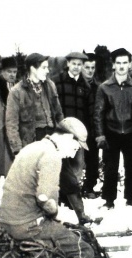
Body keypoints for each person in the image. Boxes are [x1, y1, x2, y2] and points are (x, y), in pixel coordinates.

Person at [0, 117, 94, 258]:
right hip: (25, 226)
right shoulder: (51, 156)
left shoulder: (33, 147)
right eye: (77, 145)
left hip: (6, 219)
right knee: (84, 251)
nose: (76, 150)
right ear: (66, 137)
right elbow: (45, 200)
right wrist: (55, 214)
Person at [94, 48, 132, 209]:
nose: (122, 66)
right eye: (118, 63)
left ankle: (131, 199)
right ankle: (109, 200)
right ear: (113, 65)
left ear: (130, 64)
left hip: (131, 132)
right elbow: (98, 113)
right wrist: (100, 135)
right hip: (112, 131)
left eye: (125, 62)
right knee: (111, 167)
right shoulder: (104, 88)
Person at [52, 52, 93, 224]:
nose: (77, 67)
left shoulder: (86, 85)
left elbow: (88, 110)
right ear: (68, 63)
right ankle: (58, 199)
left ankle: (72, 202)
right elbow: (55, 107)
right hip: (62, 131)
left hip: (79, 134)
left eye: (79, 64)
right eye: (74, 63)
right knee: (60, 167)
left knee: (77, 167)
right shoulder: (58, 82)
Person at [5, 53, 63, 155]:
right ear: (33, 69)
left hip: (52, 137)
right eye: (44, 68)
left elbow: (59, 113)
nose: (47, 71)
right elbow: (11, 124)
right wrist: (18, 150)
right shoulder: (17, 91)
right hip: (32, 140)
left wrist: (63, 135)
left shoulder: (50, 85)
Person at [0, 56, 18, 200]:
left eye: (15, 72)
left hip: (9, 134)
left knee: (10, 169)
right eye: (9, 72)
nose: (12, 75)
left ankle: (9, 201)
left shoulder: (14, 88)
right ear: (2, 72)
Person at [81, 52, 101, 199]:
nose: (90, 70)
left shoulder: (98, 87)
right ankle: (71, 190)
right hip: (76, 129)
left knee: (92, 162)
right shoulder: (76, 84)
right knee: (73, 162)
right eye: (87, 67)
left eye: (92, 67)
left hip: (92, 130)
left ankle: (89, 187)